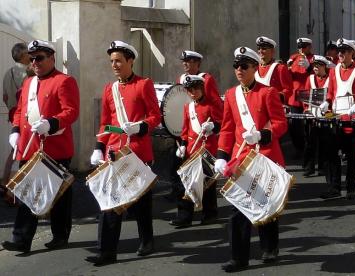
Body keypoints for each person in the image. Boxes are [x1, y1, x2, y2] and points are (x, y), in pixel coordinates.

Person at [86, 41, 161, 266]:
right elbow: (105, 123)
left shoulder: (144, 84)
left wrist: (140, 126)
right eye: (112, 61)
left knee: (142, 203)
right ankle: (106, 251)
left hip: (138, 152)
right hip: (115, 153)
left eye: (118, 60)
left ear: (130, 60)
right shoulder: (110, 89)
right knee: (110, 201)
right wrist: (99, 147)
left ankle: (146, 239)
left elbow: (155, 116)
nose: (114, 65)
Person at [214, 46, 287, 272]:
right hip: (242, 158)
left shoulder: (267, 92)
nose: (239, 70)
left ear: (255, 68)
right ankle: (238, 258)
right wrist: (221, 155)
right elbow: (227, 129)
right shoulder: (231, 95)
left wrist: (262, 135)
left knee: (265, 205)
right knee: (238, 208)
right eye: (236, 66)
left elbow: (280, 123)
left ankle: (269, 246)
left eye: (244, 66)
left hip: (264, 157)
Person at [2, 40, 79, 253]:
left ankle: (60, 235)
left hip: (55, 149)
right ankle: (21, 239)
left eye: (40, 58)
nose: (35, 62)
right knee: (29, 194)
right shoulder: (28, 83)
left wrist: (52, 123)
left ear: (52, 58)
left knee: (60, 197)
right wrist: (15, 131)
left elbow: (71, 111)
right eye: (32, 58)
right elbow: (19, 110)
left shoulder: (64, 81)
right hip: (30, 147)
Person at [319, 38, 355, 200]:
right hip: (337, 117)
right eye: (339, 51)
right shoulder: (333, 70)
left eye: (344, 51)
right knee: (332, 154)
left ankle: (351, 188)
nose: (340, 54)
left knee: (352, 156)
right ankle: (334, 187)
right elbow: (331, 93)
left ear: (352, 53)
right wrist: (326, 103)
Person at [172, 75, 223, 227]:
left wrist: (213, 127)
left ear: (202, 88)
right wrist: (182, 145)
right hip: (190, 151)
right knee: (186, 183)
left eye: (195, 89)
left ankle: (210, 213)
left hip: (206, 150)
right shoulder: (188, 108)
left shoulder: (211, 105)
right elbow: (185, 130)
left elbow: (222, 124)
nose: (192, 93)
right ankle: (184, 216)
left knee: (207, 184)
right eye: (189, 90)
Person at [2, 43, 31, 199]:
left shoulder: (7, 73)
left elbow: (5, 98)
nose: (30, 55)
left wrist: (13, 110)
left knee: (14, 150)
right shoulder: (28, 73)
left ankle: (5, 182)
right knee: (20, 152)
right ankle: (10, 191)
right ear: (21, 55)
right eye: (28, 52)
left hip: (14, 115)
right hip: (25, 118)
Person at [303, 55, 332, 177]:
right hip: (312, 114)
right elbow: (305, 96)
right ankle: (309, 168)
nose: (315, 68)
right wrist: (306, 109)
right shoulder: (309, 78)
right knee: (310, 142)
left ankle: (322, 167)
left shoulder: (331, 79)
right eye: (314, 65)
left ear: (324, 66)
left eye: (318, 65)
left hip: (326, 114)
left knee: (324, 143)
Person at [287, 38, 315, 158]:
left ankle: (310, 150)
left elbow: (319, 76)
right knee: (294, 125)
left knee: (309, 126)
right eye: (300, 47)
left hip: (307, 95)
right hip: (294, 96)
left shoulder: (314, 59)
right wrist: (286, 68)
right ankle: (299, 148)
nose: (301, 49)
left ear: (309, 47)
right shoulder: (293, 58)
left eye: (304, 47)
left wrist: (310, 67)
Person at [254, 36, 293, 105]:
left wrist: (276, 96)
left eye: (264, 49)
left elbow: (289, 90)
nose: (260, 51)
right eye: (259, 48)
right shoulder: (254, 68)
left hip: (274, 106)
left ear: (272, 51)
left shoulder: (280, 68)